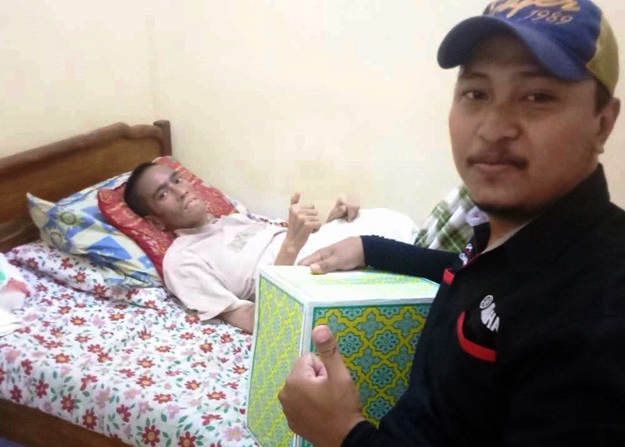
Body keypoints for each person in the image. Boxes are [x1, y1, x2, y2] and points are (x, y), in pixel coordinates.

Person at [278, 0, 625, 446]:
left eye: (537, 96)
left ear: (602, 122)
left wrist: (342, 433)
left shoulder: (600, 317)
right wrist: (371, 247)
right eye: (476, 94)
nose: (493, 128)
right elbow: (474, 275)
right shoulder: (515, 236)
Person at [123, 162, 419, 333]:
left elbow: (295, 243)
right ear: (155, 221)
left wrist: (333, 220)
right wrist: (291, 245)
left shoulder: (231, 219)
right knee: (399, 237)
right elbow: (256, 321)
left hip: (318, 251)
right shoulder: (181, 260)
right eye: (163, 194)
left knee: (389, 221)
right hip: (306, 280)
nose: (180, 190)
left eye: (177, 180)